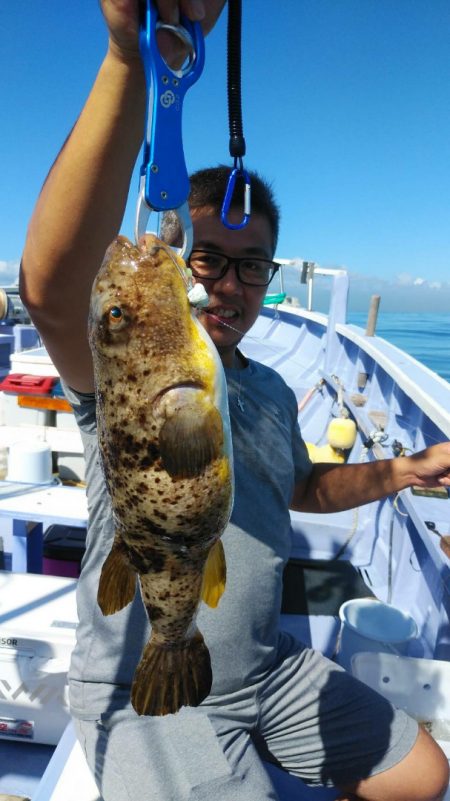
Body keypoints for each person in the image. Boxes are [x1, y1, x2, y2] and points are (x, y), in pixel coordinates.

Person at [20, 2, 450, 800]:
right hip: (141, 678)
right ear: (183, 262)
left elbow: (300, 489)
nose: (228, 281)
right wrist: (128, 58)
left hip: (262, 664)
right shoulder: (124, 376)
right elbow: (48, 290)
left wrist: (403, 468)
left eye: (253, 265)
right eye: (209, 256)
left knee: (425, 776)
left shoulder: (270, 387)